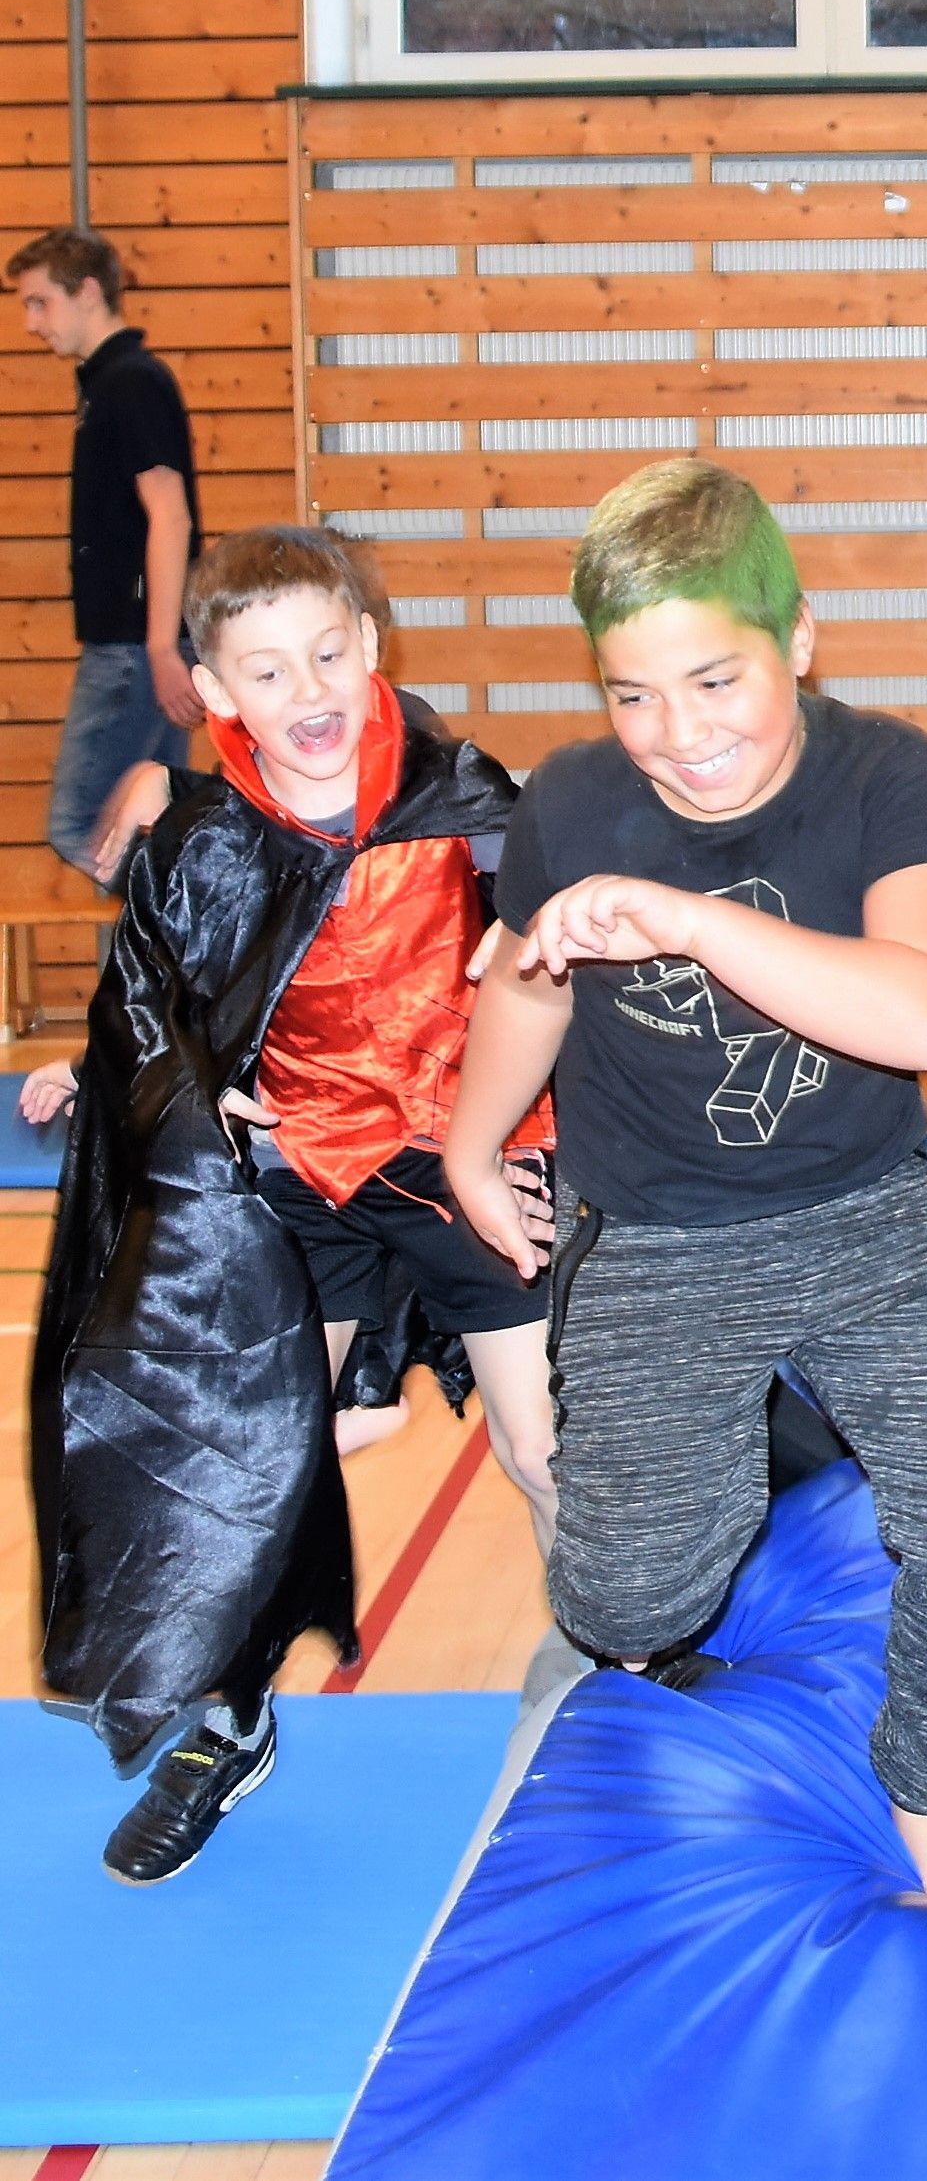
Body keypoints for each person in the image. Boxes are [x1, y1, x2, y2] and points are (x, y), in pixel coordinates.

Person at [444, 458, 927, 1911]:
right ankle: (672, 1505)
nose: (680, 734)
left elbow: (922, 1016)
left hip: (871, 1216)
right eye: (633, 695)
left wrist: (682, 918)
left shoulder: (890, 775)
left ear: (799, 642)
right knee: (632, 1595)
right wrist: (471, 1147)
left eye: (716, 681)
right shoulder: (573, 802)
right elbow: (528, 986)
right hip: (657, 1237)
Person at [30, 523, 556, 1885]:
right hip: (303, 1172)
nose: (307, 690)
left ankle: (615, 1663)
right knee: (245, 1454)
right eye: (266, 671)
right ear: (216, 691)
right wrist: (119, 1075)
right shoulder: (202, 840)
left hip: (462, 1159)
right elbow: (162, 1004)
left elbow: (558, 973)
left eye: (328, 654)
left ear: (370, 647)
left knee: (545, 1446)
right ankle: (231, 1716)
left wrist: (532, 1121)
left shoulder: (465, 803)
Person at [5, 226, 204, 877]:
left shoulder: (131, 383)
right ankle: (189, 931)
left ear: (88, 292)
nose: (31, 323)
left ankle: (209, 918)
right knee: (153, 825)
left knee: (81, 826)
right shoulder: (107, 387)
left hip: (131, 646)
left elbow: (170, 515)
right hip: (133, 643)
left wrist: (160, 647)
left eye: (40, 302)